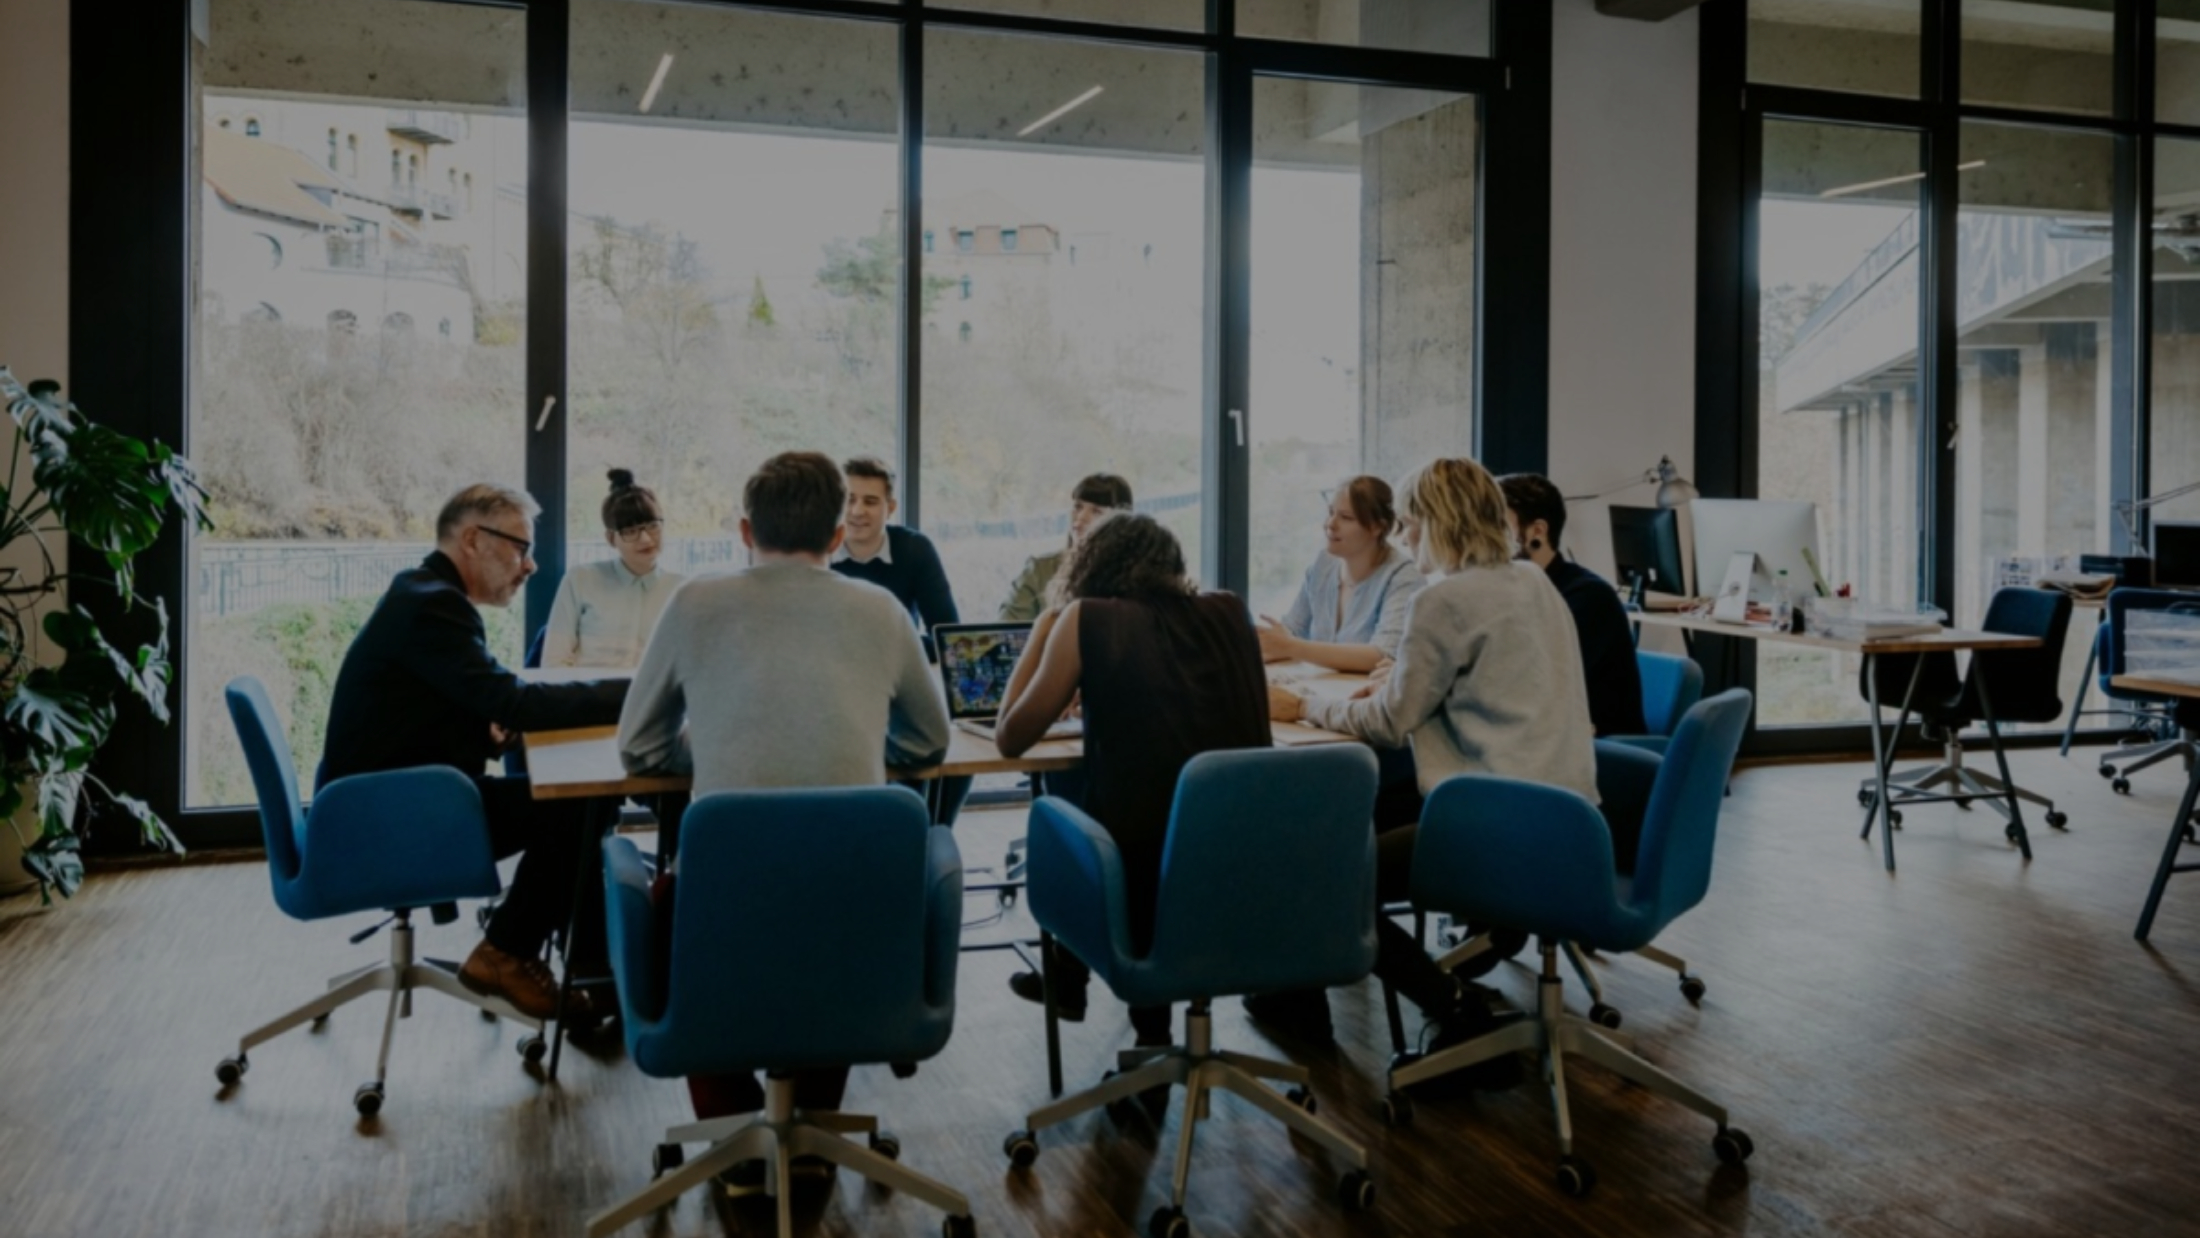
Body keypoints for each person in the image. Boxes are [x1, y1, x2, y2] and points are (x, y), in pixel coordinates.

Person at [616, 451, 951, 1191]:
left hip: (725, 910)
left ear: (743, 530)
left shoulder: (694, 603)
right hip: (859, 917)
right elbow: (931, 742)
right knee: (836, 899)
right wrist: (857, 737)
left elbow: (637, 746)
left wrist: (712, 740)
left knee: (677, 895)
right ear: (838, 538)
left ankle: (738, 1140)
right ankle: (810, 1139)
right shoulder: (883, 610)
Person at [1267, 457, 1597, 1077]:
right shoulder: (1534, 581)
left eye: (1412, 525)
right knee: (1369, 828)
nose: (1406, 539)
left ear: (1440, 525)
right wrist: (1403, 684)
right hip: (1569, 818)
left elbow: (1392, 724)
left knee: (1336, 879)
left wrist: (1303, 704)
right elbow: (1498, 682)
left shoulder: (1442, 599)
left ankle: (1455, 1007)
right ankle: (1456, 980)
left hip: (1496, 825)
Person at [320, 484, 627, 1021]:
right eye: (520, 547)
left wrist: (481, 733)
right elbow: (515, 700)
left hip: (386, 798)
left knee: (579, 803)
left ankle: (530, 950)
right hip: (385, 816)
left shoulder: (422, 593)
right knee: (585, 803)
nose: (530, 565)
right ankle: (509, 951)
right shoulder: (434, 606)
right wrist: (635, 688)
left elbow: (430, 712)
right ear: (472, 539)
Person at [994, 511, 1270, 1046]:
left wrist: (1046, 626)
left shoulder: (1087, 618)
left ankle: (1111, 1009)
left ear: (1090, 566)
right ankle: (1142, 1034)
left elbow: (1010, 737)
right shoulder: (1231, 610)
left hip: (1137, 868)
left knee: (1065, 802)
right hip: (1241, 858)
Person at [1498, 472, 1648, 739]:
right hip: (1548, 740)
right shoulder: (1514, 591)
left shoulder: (1588, 597)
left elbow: (1533, 684)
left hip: (1602, 754)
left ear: (1537, 531)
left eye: (1499, 526)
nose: (1487, 539)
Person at [1256, 475, 1425, 672]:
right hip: (1319, 692)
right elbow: (1292, 630)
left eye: (1346, 518)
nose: (1330, 524)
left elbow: (1383, 655)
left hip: (1364, 698)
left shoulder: (1403, 576)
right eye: (1330, 512)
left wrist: (1291, 646)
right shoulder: (1323, 564)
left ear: (1377, 527)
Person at [540, 469, 684, 669]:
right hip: (586, 697)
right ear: (610, 539)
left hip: (650, 699)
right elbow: (554, 662)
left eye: (652, 525)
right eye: (631, 531)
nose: (646, 539)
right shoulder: (581, 579)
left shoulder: (681, 590)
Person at [831, 456, 960, 655]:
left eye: (870, 502)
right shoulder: (816, 550)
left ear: (890, 509)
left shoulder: (916, 549)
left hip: (897, 673)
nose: (857, 511)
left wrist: (882, 649)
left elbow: (949, 638)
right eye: (850, 499)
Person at [999, 473, 1134, 622]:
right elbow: (1006, 634)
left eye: (1096, 511)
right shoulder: (1038, 571)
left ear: (1121, 522)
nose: (1081, 517)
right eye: (1078, 506)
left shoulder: (1138, 577)